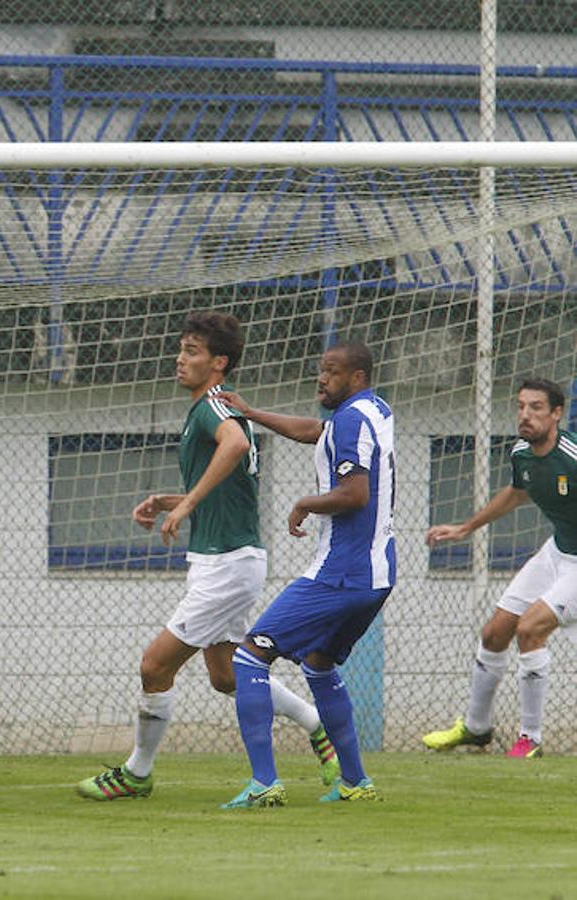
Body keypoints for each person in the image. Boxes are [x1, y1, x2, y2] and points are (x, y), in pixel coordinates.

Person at [77, 312, 336, 804]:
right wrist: (173, 500)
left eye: (192, 351)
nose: (180, 358)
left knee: (155, 666)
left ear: (219, 363)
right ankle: (319, 727)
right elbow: (231, 488)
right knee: (227, 677)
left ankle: (137, 772)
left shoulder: (214, 407)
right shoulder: (209, 408)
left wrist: (189, 503)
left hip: (226, 565)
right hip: (229, 559)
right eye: (181, 349)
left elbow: (235, 445)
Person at [218, 341, 395, 808]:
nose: (321, 378)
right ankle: (356, 782)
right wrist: (251, 412)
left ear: (356, 377)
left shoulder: (352, 419)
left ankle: (264, 783)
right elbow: (315, 431)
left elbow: (354, 494)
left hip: (342, 572)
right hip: (377, 574)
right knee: (317, 663)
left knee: (251, 656)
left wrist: (304, 503)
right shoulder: (372, 409)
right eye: (320, 370)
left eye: (332, 372)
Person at [423, 378, 577, 758]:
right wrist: (465, 528)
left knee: (530, 628)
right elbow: (518, 492)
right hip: (555, 552)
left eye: (536, 407)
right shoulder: (521, 453)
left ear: (557, 413)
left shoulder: (572, 457)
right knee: (495, 632)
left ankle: (531, 739)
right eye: (521, 406)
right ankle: (476, 728)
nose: (525, 414)